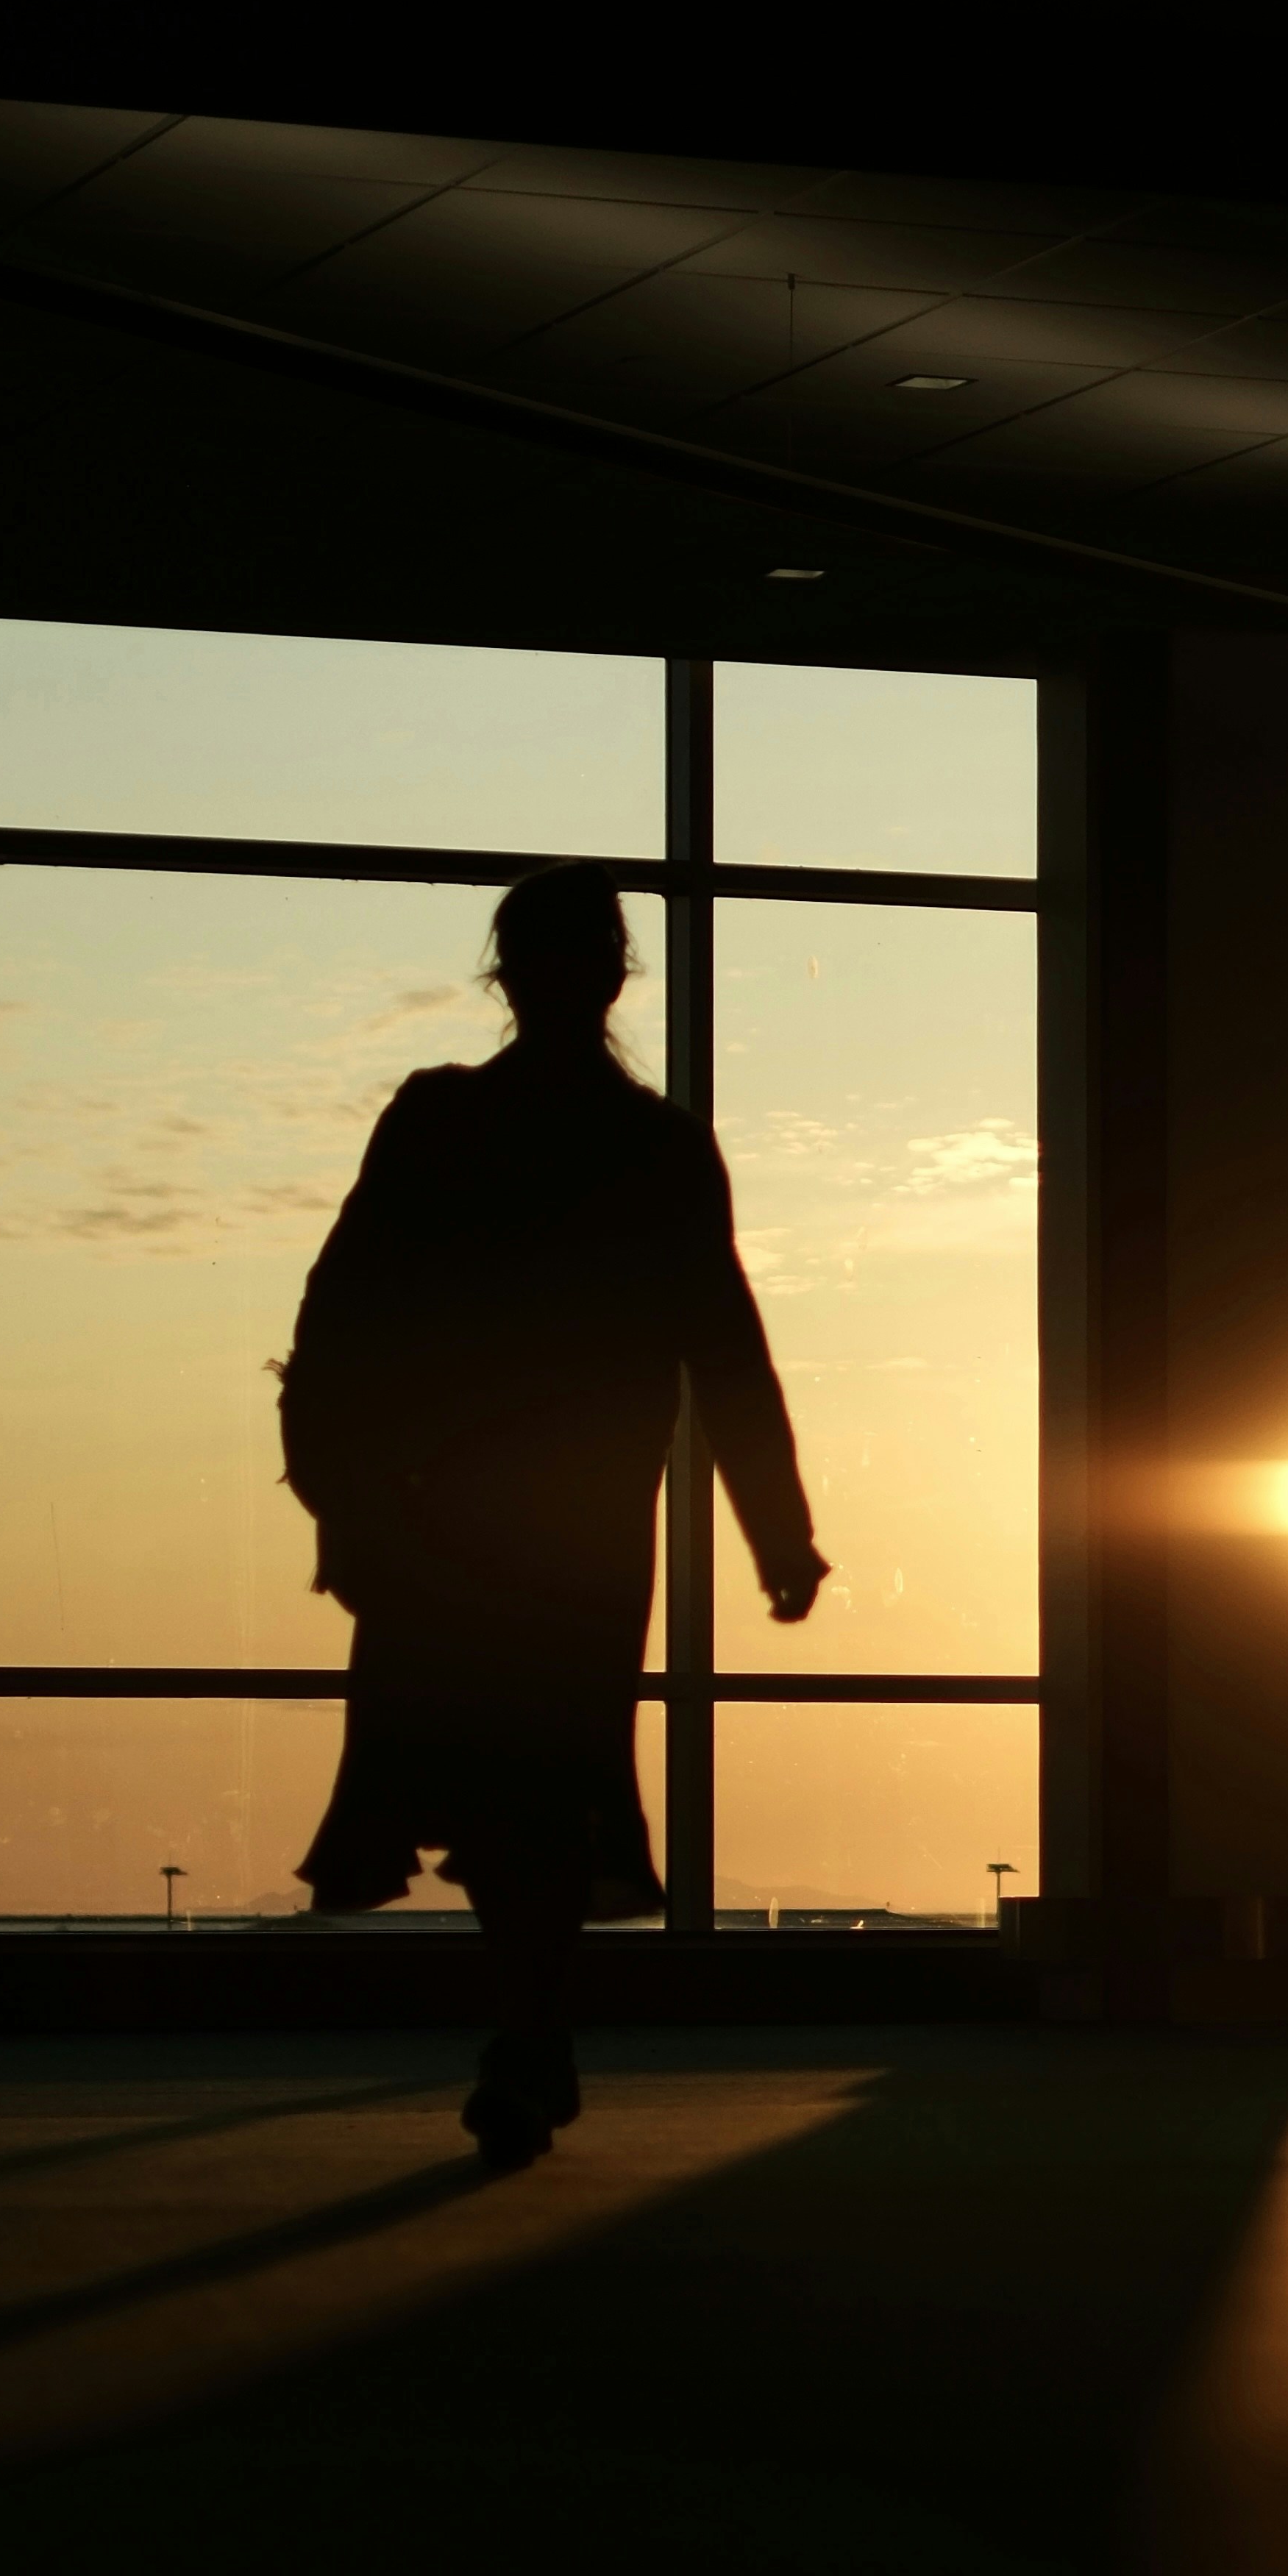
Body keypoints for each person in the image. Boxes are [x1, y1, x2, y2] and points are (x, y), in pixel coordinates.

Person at [278, 862, 827, 2164]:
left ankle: (531, 2033)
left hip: (448, 1511)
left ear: (506, 976)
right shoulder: (655, 1146)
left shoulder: (442, 1123)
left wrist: (338, 1498)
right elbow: (726, 1349)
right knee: (542, 1775)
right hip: (574, 1521)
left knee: (490, 1777)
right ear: (612, 974)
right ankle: (533, 2032)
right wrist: (779, 1527)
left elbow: (340, 1313)